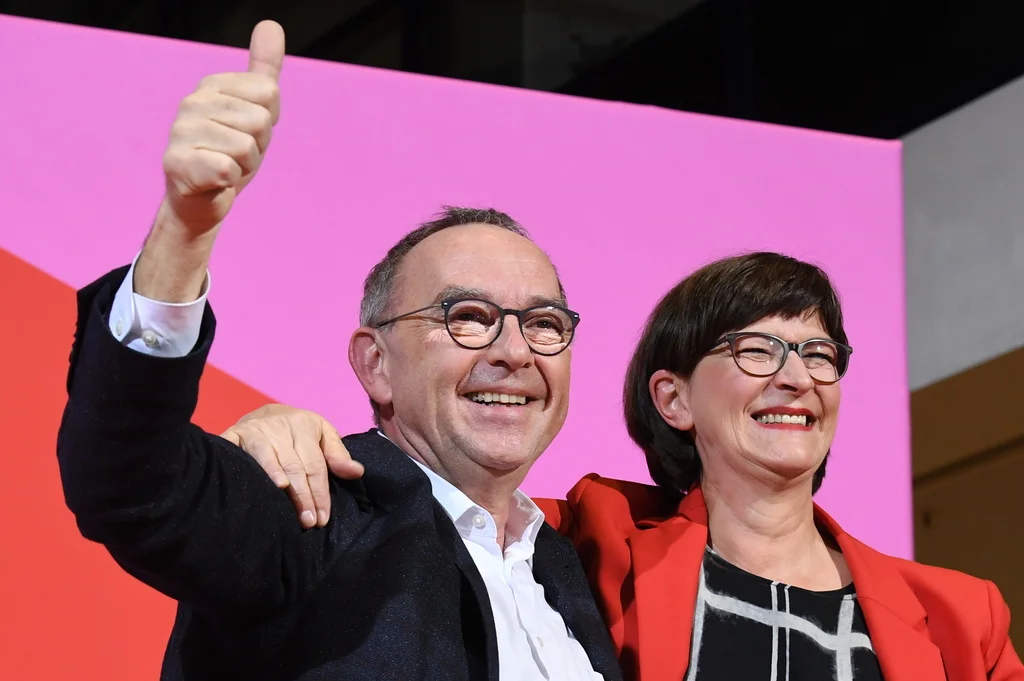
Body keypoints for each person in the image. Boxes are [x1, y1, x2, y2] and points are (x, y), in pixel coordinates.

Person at [55, 19, 621, 681]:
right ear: (375, 362)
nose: (516, 351)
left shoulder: (565, 564)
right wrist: (183, 228)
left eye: (545, 323)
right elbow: (126, 481)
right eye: (469, 317)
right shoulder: (308, 506)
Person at [229, 252, 1024, 681]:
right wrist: (278, 426)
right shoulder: (590, 537)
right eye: (758, 349)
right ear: (672, 398)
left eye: (820, 354)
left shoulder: (961, 613)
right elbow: (435, 495)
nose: (797, 377)